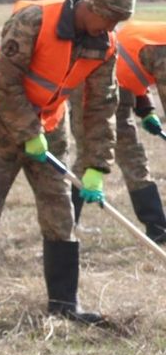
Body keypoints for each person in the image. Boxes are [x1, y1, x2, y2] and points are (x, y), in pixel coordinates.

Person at [0, 0, 136, 325]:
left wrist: (96, 164)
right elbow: (4, 80)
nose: (109, 27)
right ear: (91, 5)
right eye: (107, 18)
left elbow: (99, 106)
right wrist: (26, 130)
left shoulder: (104, 44)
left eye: (117, 22)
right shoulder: (34, 20)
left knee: (60, 213)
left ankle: (64, 304)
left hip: (49, 127)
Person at [53, 19, 166, 243]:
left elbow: (135, 64)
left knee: (133, 157)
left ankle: (158, 228)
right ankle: (63, 228)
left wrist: (145, 109)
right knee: (89, 156)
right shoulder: (162, 45)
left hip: (120, 88)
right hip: (91, 88)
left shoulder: (156, 34)